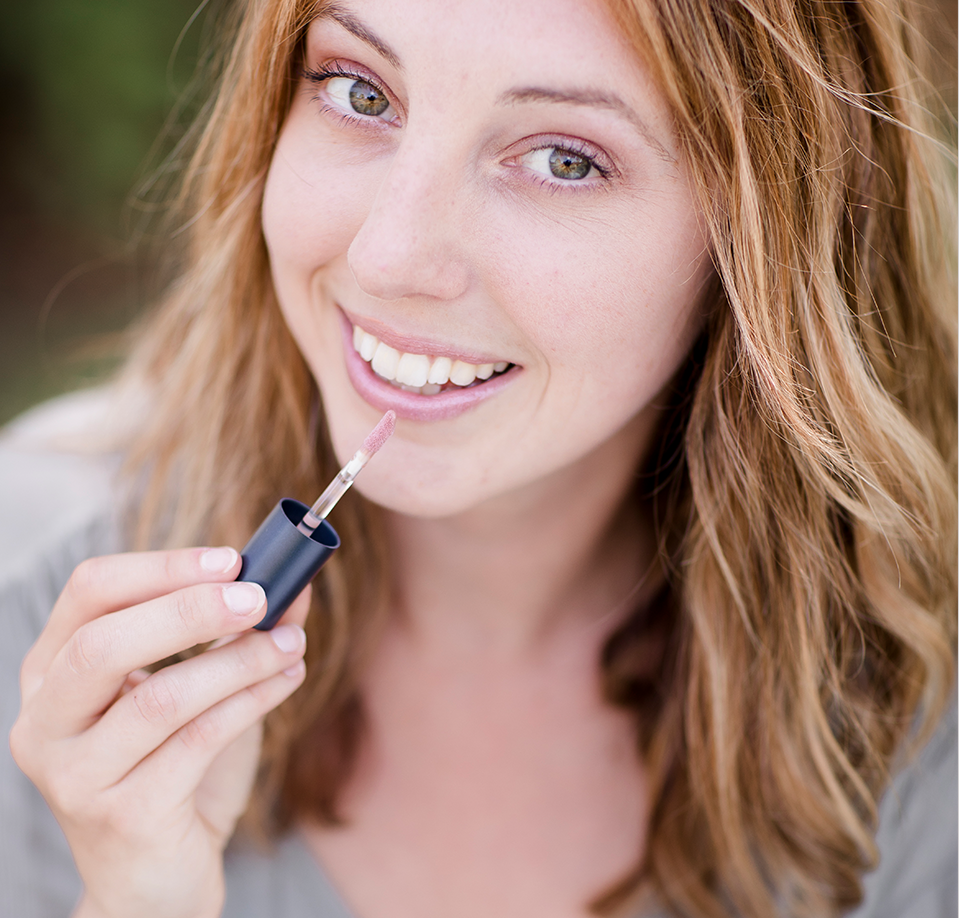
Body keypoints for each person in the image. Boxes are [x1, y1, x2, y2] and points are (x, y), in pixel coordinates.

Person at [2, 0, 956, 915]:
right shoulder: (33, 578)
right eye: (359, 92)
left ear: (764, 240)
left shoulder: (913, 698)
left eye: (562, 158)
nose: (388, 257)